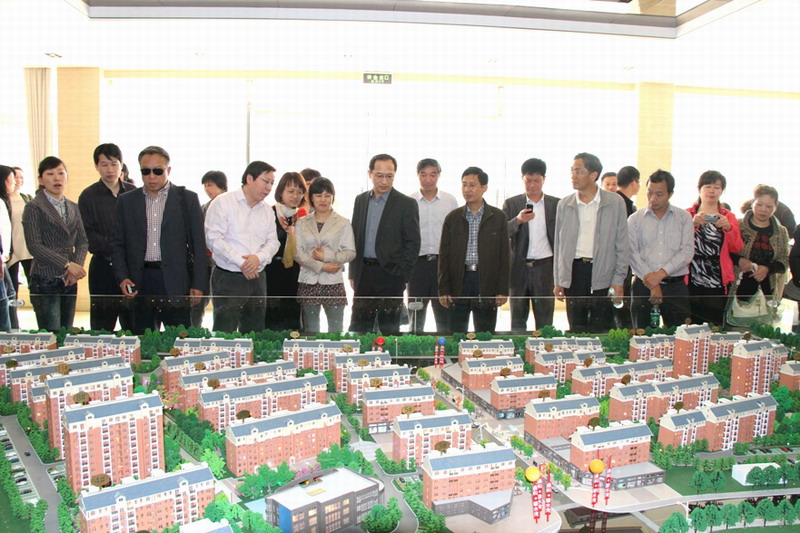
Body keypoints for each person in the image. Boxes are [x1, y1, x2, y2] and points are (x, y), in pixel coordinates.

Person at [111, 146, 208, 334]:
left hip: (176, 280)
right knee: (142, 337)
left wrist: (198, 283)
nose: (151, 176)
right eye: (145, 171)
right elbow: (117, 244)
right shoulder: (126, 201)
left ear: (168, 170)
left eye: (157, 171)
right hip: (140, 280)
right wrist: (123, 277)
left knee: (179, 338)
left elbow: (198, 245)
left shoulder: (187, 199)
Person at [554, 153, 629, 333]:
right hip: (575, 273)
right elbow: (558, 245)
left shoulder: (614, 202)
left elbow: (622, 245)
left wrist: (618, 280)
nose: (573, 176)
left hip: (603, 272)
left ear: (593, 175)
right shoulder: (565, 204)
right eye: (572, 171)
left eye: (578, 171)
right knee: (576, 328)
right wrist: (559, 280)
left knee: (602, 328)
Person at [349, 154, 420, 335]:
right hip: (364, 274)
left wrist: (402, 275)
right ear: (370, 174)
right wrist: (353, 272)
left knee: (389, 331)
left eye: (389, 176)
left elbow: (412, 243)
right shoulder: (360, 200)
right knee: (360, 329)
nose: (384, 181)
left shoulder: (406, 203)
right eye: (379, 175)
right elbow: (355, 237)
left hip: (391, 275)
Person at [205, 161, 279, 333]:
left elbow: (273, 242)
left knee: (255, 332)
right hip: (228, 278)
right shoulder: (223, 202)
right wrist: (242, 262)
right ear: (249, 178)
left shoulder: (267, 210)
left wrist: (257, 258)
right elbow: (213, 239)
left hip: (258, 279)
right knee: (225, 332)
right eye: (266, 181)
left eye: (271, 183)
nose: (269, 188)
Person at [438, 167, 510, 334]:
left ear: (484, 187)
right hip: (459, 281)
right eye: (464, 185)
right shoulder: (453, 218)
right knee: (457, 333)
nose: (467, 190)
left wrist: (502, 290)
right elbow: (444, 256)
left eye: (472, 185)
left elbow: (504, 257)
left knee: (485, 333)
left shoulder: (498, 217)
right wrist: (444, 289)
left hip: (486, 281)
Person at [22, 157, 88, 331]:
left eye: (61, 173)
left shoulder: (73, 206)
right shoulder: (33, 207)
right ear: (40, 179)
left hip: (69, 279)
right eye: (50, 174)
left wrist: (75, 268)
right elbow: (34, 245)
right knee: (51, 333)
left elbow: (82, 240)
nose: (57, 178)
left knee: (66, 331)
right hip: (45, 277)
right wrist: (67, 265)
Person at [78, 143, 136, 332]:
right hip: (103, 267)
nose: (109, 169)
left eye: (114, 164)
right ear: (96, 166)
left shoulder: (134, 192)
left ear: (121, 165)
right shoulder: (88, 196)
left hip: (130, 268)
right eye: (104, 164)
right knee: (102, 325)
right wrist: (119, 247)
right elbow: (88, 235)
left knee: (133, 323)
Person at [627, 170, 694, 329]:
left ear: (670, 194)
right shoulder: (635, 219)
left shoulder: (683, 218)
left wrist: (660, 274)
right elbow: (632, 253)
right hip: (643, 285)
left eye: (659, 194)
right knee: (641, 335)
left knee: (680, 334)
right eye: (649, 192)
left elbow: (687, 252)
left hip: (675, 286)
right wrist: (652, 283)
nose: (653, 198)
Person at [503, 158, 558, 332]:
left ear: (544, 179)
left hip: (545, 268)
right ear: (522, 179)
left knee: (545, 321)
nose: (532, 185)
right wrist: (518, 220)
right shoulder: (511, 204)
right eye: (528, 180)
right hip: (518, 268)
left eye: (536, 181)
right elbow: (502, 233)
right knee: (517, 321)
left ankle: (545, 347)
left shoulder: (556, 204)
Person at [294, 178, 356, 332]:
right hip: (308, 281)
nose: (323, 200)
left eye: (327, 196)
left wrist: (327, 256)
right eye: (318, 195)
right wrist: (322, 266)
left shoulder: (343, 222)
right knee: (310, 330)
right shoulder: (301, 222)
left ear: (332, 198)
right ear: (311, 198)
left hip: (333, 281)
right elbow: (297, 253)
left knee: (336, 330)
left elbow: (350, 253)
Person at [686, 170, 743, 326]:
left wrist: (729, 228)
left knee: (714, 324)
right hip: (691, 276)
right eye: (707, 186)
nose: (712, 191)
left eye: (717, 187)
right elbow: (676, 243)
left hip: (717, 278)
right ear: (699, 189)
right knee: (690, 323)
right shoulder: (687, 214)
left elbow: (737, 247)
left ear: (722, 191)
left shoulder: (728, 216)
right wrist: (692, 224)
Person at [408, 158, 458, 333]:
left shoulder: (450, 201)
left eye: (433, 174)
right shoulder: (409, 201)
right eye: (423, 175)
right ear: (417, 175)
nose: (428, 179)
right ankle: (414, 348)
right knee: (415, 316)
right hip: (416, 266)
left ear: (439, 175)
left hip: (442, 265)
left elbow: (456, 235)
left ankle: (445, 349)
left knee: (444, 317)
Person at [731, 185, 789, 304]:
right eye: (759, 204)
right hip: (736, 288)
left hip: (766, 291)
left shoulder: (781, 232)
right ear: (752, 203)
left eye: (769, 206)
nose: (763, 210)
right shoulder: (737, 225)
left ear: (775, 207)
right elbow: (725, 252)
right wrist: (739, 260)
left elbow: (784, 261)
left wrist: (768, 268)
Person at [264, 171, 307, 332]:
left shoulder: (302, 217)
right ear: (281, 191)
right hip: (271, 271)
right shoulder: (268, 212)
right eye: (291, 191)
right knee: (271, 319)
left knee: (292, 319)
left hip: (294, 272)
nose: (295, 196)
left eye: (299, 192)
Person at [191, 170, 228, 328]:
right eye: (205, 185)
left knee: (222, 304)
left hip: (225, 263)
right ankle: (195, 331)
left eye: (210, 185)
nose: (207, 189)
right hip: (205, 261)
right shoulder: (203, 208)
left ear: (221, 186)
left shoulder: (230, 205)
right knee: (199, 301)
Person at [613, 165, 641, 329]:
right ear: (634, 182)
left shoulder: (627, 203)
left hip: (624, 265)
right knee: (619, 309)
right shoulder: (618, 203)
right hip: (618, 264)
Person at [7, 166, 32, 329]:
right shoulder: (4, 200)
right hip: (11, 253)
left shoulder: (27, 198)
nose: (18, 180)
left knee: (34, 287)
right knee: (12, 291)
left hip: (29, 251)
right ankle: (13, 324)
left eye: (21, 177)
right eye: (15, 177)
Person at [0, 166, 16, 331]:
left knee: (9, 296)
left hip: (3, 259)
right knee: (7, 298)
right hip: (1, 260)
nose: (14, 183)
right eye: (11, 180)